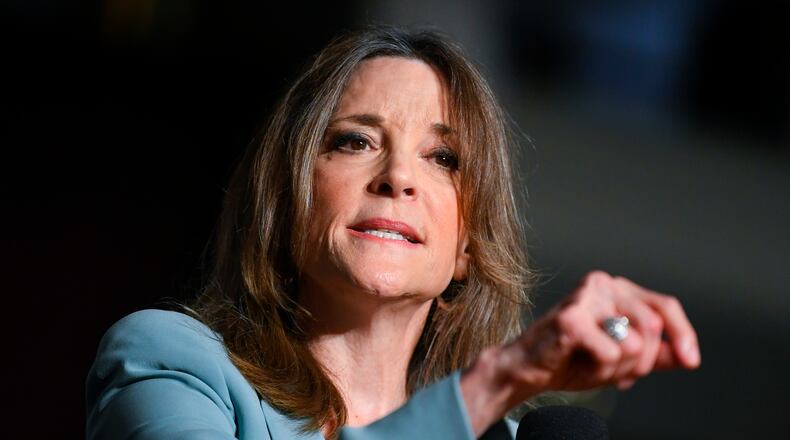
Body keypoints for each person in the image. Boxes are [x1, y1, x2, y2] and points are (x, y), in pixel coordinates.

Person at [85, 26, 700, 440]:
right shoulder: (172, 362)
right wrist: (499, 378)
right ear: (286, 199)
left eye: (443, 158)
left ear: (467, 247)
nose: (398, 177)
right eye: (356, 141)